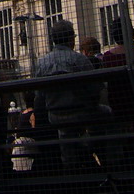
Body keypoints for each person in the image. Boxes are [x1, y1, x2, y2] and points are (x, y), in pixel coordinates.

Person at [33, 20, 101, 170]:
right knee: (107, 114)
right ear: (71, 39)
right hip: (80, 114)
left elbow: (39, 94)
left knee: (66, 136)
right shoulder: (80, 59)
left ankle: (70, 165)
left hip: (55, 115)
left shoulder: (42, 62)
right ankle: (109, 161)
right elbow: (95, 89)